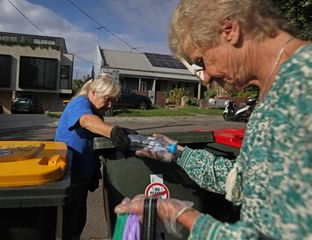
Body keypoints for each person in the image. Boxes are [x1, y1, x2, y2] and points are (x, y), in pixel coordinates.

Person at [115, 0, 311, 239]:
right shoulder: (276, 87)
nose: (205, 79)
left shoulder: (303, 84)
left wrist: (182, 216)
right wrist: (178, 153)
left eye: (201, 62)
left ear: (229, 29)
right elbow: (248, 181)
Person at [55, 73, 136, 240]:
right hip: (70, 177)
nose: (110, 104)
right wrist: (112, 131)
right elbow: (85, 121)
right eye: (107, 98)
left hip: (81, 178)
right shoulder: (80, 103)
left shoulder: (95, 111)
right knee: (68, 226)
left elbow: (90, 138)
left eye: (113, 100)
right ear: (92, 93)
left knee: (78, 221)